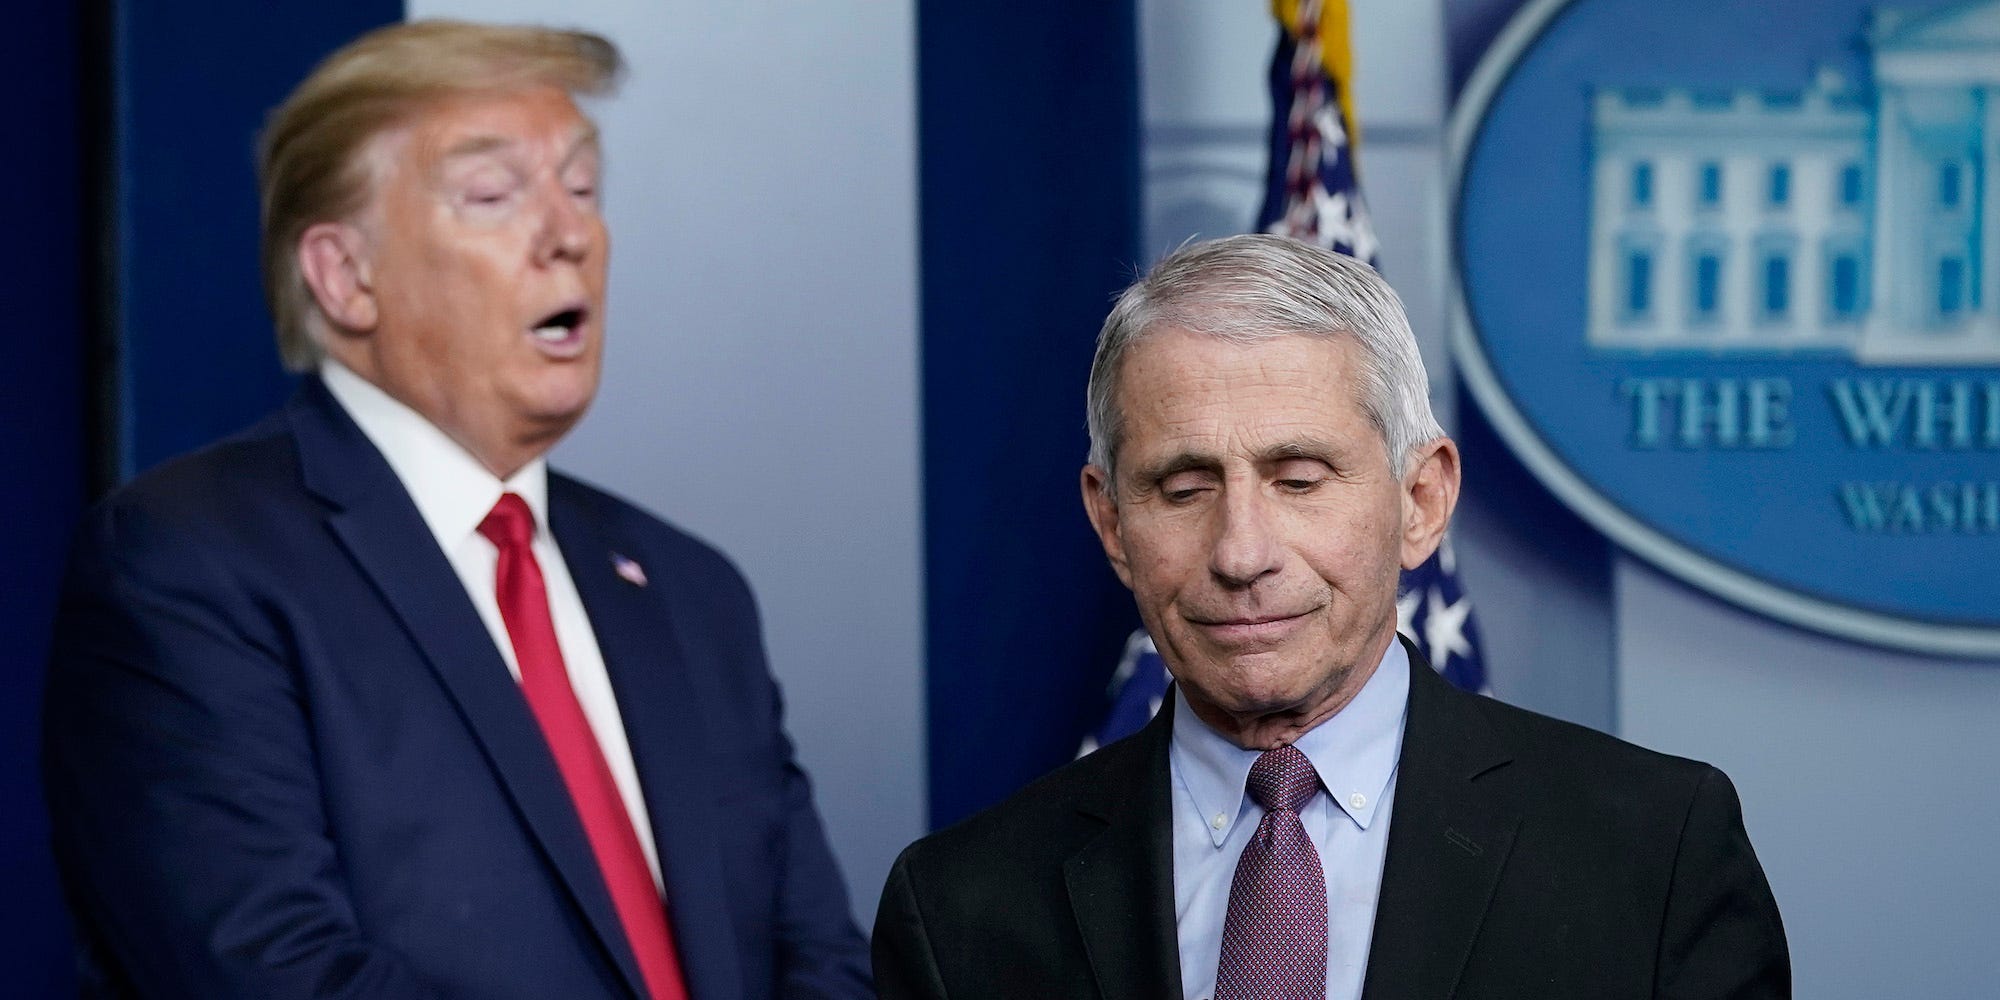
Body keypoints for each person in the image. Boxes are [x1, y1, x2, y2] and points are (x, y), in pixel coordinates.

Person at [42, 20, 870, 1000]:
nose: (569, 234)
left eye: (582, 187)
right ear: (345, 276)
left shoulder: (691, 588)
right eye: (492, 195)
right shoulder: (190, 560)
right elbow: (274, 971)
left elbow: (817, 959)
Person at [872, 234, 1789, 1000]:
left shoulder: (1653, 853)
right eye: (1184, 489)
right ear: (1111, 520)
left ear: (1421, 501)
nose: (1241, 552)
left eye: (1299, 481)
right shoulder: (961, 907)